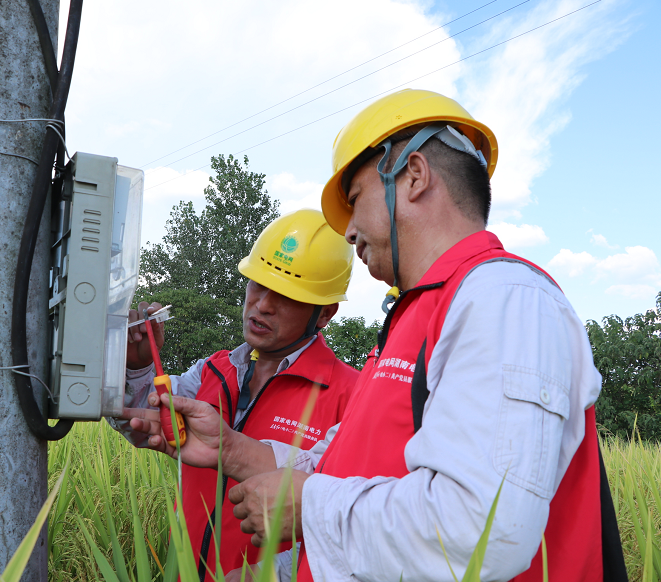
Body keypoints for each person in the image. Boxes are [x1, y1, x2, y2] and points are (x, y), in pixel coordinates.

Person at [148, 89, 627, 581]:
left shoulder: (505, 298)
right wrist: (231, 451)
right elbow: (347, 467)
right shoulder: (411, 322)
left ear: (414, 176)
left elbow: (482, 530)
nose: (350, 230)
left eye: (355, 201)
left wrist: (307, 506)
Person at [113, 209, 360, 581]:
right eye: (258, 285)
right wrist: (137, 368)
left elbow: (347, 524)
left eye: (286, 296)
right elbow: (139, 419)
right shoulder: (213, 372)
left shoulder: (351, 395)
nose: (262, 304)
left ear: (324, 313)